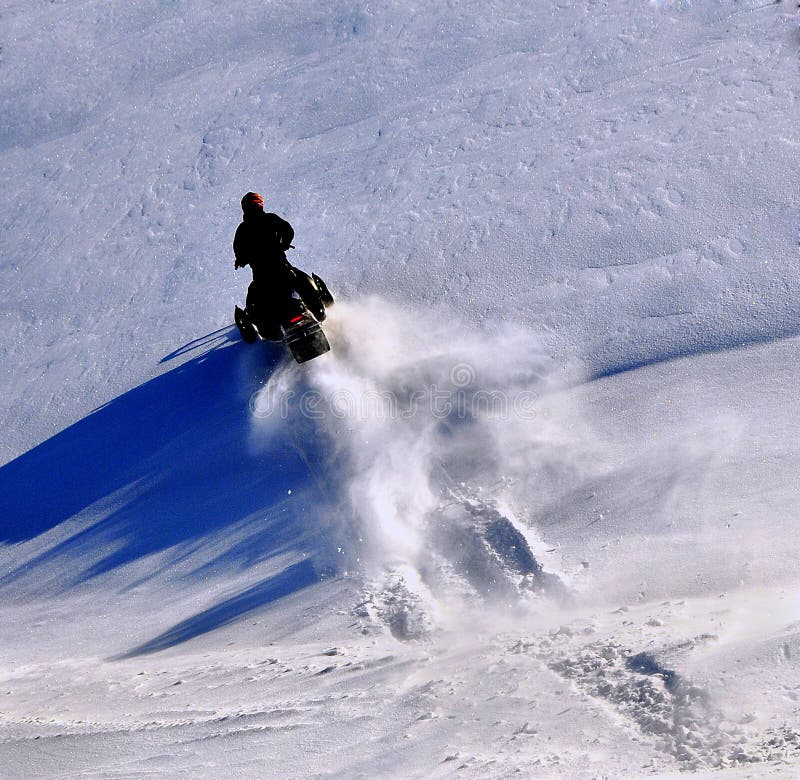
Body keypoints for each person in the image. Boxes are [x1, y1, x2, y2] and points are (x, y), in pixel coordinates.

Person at [233, 192, 297, 340]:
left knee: (253, 299)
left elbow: (238, 250)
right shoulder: (270, 218)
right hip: (281, 269)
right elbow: (288, 230)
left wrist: (241, 260)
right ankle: (316, 302)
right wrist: (284, 243)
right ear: (260, 204)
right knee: (298, 279)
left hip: (262, 276)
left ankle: (254, 326)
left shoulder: (243, 229)